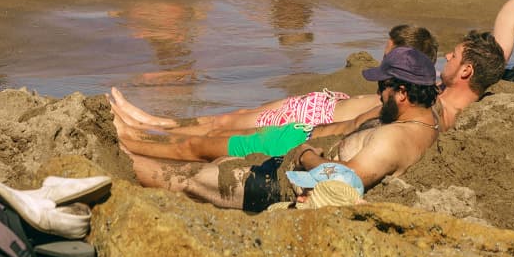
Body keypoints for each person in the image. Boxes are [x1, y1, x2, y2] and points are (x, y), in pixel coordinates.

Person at [123, 47, 443, 210]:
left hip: (283, 186)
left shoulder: (392, 138)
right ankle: (127, 152)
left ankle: (120, 161)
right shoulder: (426, 121)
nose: (378, 94)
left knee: (187, 179)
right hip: (288, 172)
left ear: (402, 93)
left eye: (384, 88)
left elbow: (342, 182)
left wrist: (304, 152)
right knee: (206, 163)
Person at [110, 28, 505, 160]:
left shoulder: (428, 103)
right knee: (218, 130)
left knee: (212, 139)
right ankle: (150, 128)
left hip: (311, 129)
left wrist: (314, 134)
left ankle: (136, 140)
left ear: (466, 71)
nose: (446, 60)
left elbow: (359, 126)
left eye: (453, 58)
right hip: (318, 123)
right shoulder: (433, 98)